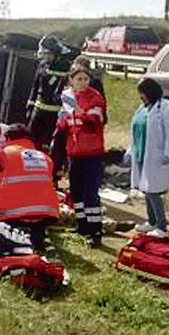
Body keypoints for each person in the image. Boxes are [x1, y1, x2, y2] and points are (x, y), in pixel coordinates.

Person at [0, 124, 60, 252]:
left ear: (8, 139)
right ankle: (37, 238)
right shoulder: (45, 157)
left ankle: (16, 236)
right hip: (45, 213)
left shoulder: (3, 154)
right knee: (35, 238)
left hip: (14, 214)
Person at [56, 65, 106, 247]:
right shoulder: (67, 97)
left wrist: (77, 110)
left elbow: (94, 122)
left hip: (92, 151)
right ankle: (82, 225)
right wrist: (63, 116)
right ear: (71, 80)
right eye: (79, 79)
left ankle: (96, 230)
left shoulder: (95, 97)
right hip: (74, 151)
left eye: (86, 79)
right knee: (76, 190)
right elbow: (63, 127)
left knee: (90, 192)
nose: (83, 82)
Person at [128, 78, 169, 238]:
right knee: (145, 189)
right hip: (142, 153)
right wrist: (130, 151)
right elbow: (135, 129)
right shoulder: (142, 108)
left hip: (156, 155)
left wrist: (167, 153)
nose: (140, 96)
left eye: (142, 93)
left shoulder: (167, 107)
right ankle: (151, 221)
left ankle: (161, 227)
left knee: (153, 191)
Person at [26, 35, 79, 151]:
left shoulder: (65, 67)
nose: (45, 57)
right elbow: (35, 87)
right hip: (38, 111)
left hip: (55, 113)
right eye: (43, 53)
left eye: (47, 54)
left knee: (50, 144)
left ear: (55, 53)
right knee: (32, 141)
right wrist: (30, 106)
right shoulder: (43, 66)